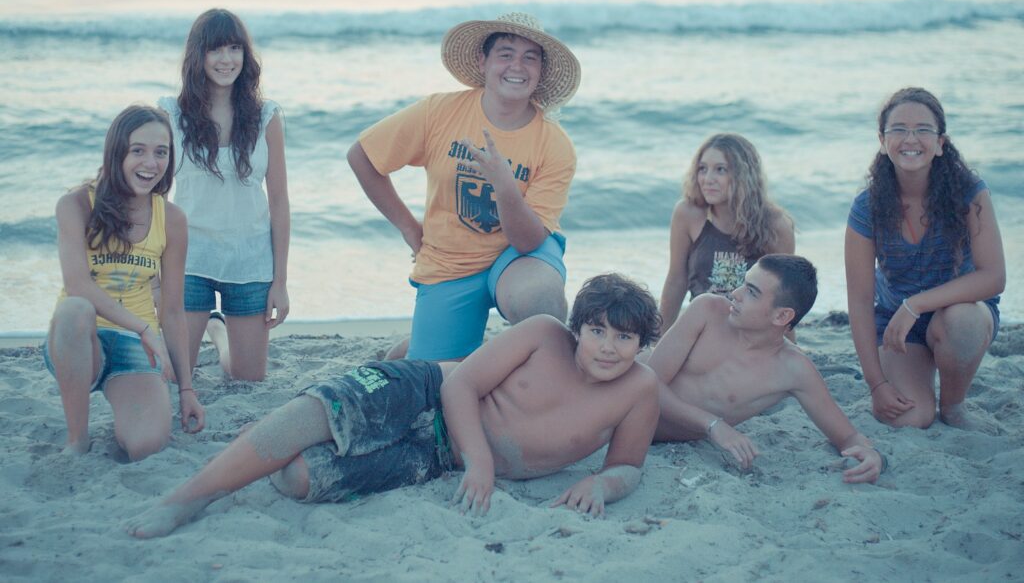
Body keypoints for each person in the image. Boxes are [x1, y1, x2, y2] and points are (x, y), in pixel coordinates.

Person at [126, 273, 661, 538]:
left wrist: (601, 485)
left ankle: (261, 457)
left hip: (435, 457)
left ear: (642, 345)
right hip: (424, 389)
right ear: (578, 328)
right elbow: (459, 388)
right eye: (597, 331)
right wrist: (481, 462)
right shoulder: (544, 335)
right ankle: (188, 496)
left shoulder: (638, 391)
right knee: (315, 415)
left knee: (301, 479)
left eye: (623, 339)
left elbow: (628, 466)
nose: (608, 348)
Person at [347, 12, 580, 360]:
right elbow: (363, 156)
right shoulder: (439, 112)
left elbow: (530, 239)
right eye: (505, 53)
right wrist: (409, 228)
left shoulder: (554, 144)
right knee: (433, 373)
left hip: (518, 257)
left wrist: (504, 185)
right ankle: (427, 346)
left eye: (530, 57)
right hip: (450, 262)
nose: (517, 65)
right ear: (482, 61)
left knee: (541, 302)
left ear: (540, 72)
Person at [45, 105, 205, 460]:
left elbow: (174, 309)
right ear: (117, 150)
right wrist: (144, 328)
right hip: (78, 343)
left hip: (132, 348)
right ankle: (77, 439)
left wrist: (187, 389)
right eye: (138, 150)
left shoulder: (172, 219)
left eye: (161, 152)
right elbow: (78, 286)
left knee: (145, 446)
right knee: (74, 310)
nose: (151, 163)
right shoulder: (75, 204)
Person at [845, 87, 1004, 431]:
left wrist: (915, 304)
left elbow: (993, 277)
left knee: (962, 321)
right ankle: (917, 381)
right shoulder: (867, 206)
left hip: (960, 316)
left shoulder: (969, 192)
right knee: (911, 417)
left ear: (941, 142)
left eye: (923, 129)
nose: (910, 139)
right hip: (899, 329)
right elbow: (859, 302)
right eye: (898, 129)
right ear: (883, 140)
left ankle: (953, 405)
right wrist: (877, 385)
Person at [648, 254, 883, 484]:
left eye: (751, 291)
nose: (735, 294)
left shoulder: (793, 369)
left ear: (781, 315)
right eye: (744, 284)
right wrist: (713, 425)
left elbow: (847, 436)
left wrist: (870, 455)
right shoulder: (708, 310)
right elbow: (647, 385)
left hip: (646, 436)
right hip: (620, 398)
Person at [157, 9, 290, 382]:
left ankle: (219, 335)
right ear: (197, 55)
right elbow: (156, 197)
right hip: (189, 258)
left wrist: (280, 281)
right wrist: (154, 273)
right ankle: (211, 329)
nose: (226, 59)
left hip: (249, 261)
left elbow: (279, 202)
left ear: (246, 56)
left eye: (235, 48)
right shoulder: (172, 115)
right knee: (175, 376)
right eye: (216, 49)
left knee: (248, 379)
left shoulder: (266, 117)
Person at [659, 133, 794, 332]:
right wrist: (656, 338)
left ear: (743, 175)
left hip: (750, 332)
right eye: (702, 169)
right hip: (703, 328)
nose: (707, 179)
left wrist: (788, 350)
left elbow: (783, 297)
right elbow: (676, 280)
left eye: (720, 170)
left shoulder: (776, 225)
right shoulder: (688, 214)